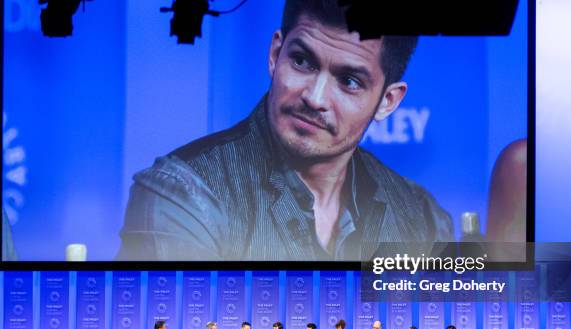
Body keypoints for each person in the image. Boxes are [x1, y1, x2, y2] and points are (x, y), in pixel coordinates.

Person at [117, 0, 453, 262]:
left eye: (349, 81)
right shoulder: (185, 194)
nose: (315, 98)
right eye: (303, 62)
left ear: (388, 102)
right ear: (276, 54)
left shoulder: (421, 215)